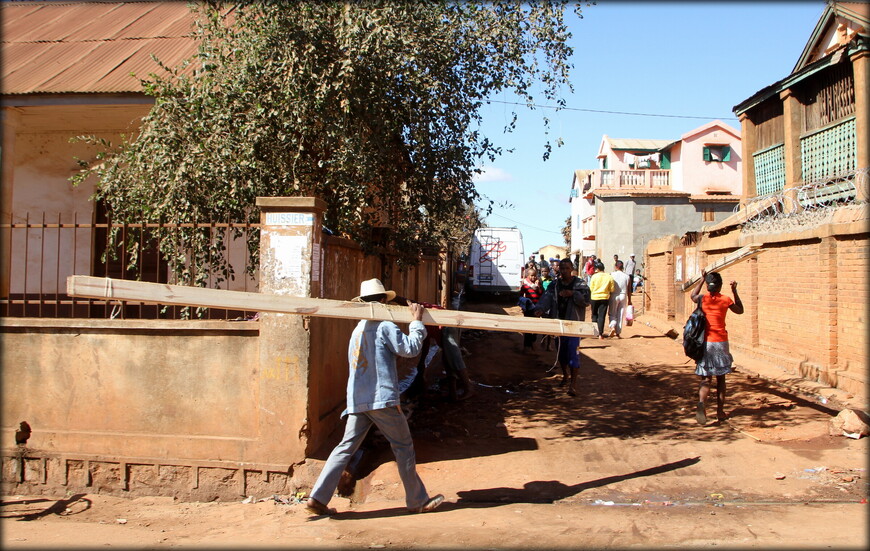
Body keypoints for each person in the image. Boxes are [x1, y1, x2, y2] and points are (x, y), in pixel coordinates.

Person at [306, 279, 444, 516]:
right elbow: (410, 349)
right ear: (382, 301)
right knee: (403, 447)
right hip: (382, 398)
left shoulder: (358, 329)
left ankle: (318, 497)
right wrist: (416, 323)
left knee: (345, 447)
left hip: (358, 399)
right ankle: (417, 500)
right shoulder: (384, 327)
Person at [690, 270, 744, 425]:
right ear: (720, 286)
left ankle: (702, 402)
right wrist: (734, 291)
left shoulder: (702, 299)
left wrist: (700, 280)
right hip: (720, 342)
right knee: (721, 379)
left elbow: (692, 296)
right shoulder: (725, 300)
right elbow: (740, 310)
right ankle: (720, 412)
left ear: (707, 286)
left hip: (705, 342)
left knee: (706, 378)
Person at [534, 257, 591, 397]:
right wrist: (540, 308)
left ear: (572, 269)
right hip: (558, 325)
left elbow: (586, 301)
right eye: (562, 268)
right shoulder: (555, 285)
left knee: (573, 354)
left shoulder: (580, 284)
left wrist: (573, 294)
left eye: (567, 268)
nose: (564, 271)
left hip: (574, 326)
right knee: (561, 353)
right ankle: (565, 375)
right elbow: (546, 298)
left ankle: (573, 384)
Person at [518, 267, 543, 352]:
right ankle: (526, 346)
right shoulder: (525, 286)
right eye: (532, 276)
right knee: (528, 327)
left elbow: (541, 294)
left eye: (535, 276)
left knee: (535, 327)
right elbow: (521, 296)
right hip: (528, 308)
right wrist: (523, 306)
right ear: (528, 276)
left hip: (537, 308)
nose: (534, 277)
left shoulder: (538, 285)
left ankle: (533, 341)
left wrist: (539, 287)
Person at [589, 260, 614, 339]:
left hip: (594, 297)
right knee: (602, 316)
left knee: (594, 315)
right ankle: (600, 334)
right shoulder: (609, 276)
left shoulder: (594, 276)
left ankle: (594, 332)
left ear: (597, 269)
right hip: (604, 298)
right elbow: (612, 289)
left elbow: (591, 288)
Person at [607, 260, 631, 338]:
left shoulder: (611, 275)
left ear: (616, 266)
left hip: (614, 295)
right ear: (622, 267)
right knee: (620, 314)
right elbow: (629, 289)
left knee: (612, 313)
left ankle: (613, 326)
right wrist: (630, 300)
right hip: (623, 295)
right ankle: (618, 332)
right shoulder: (627, 276)